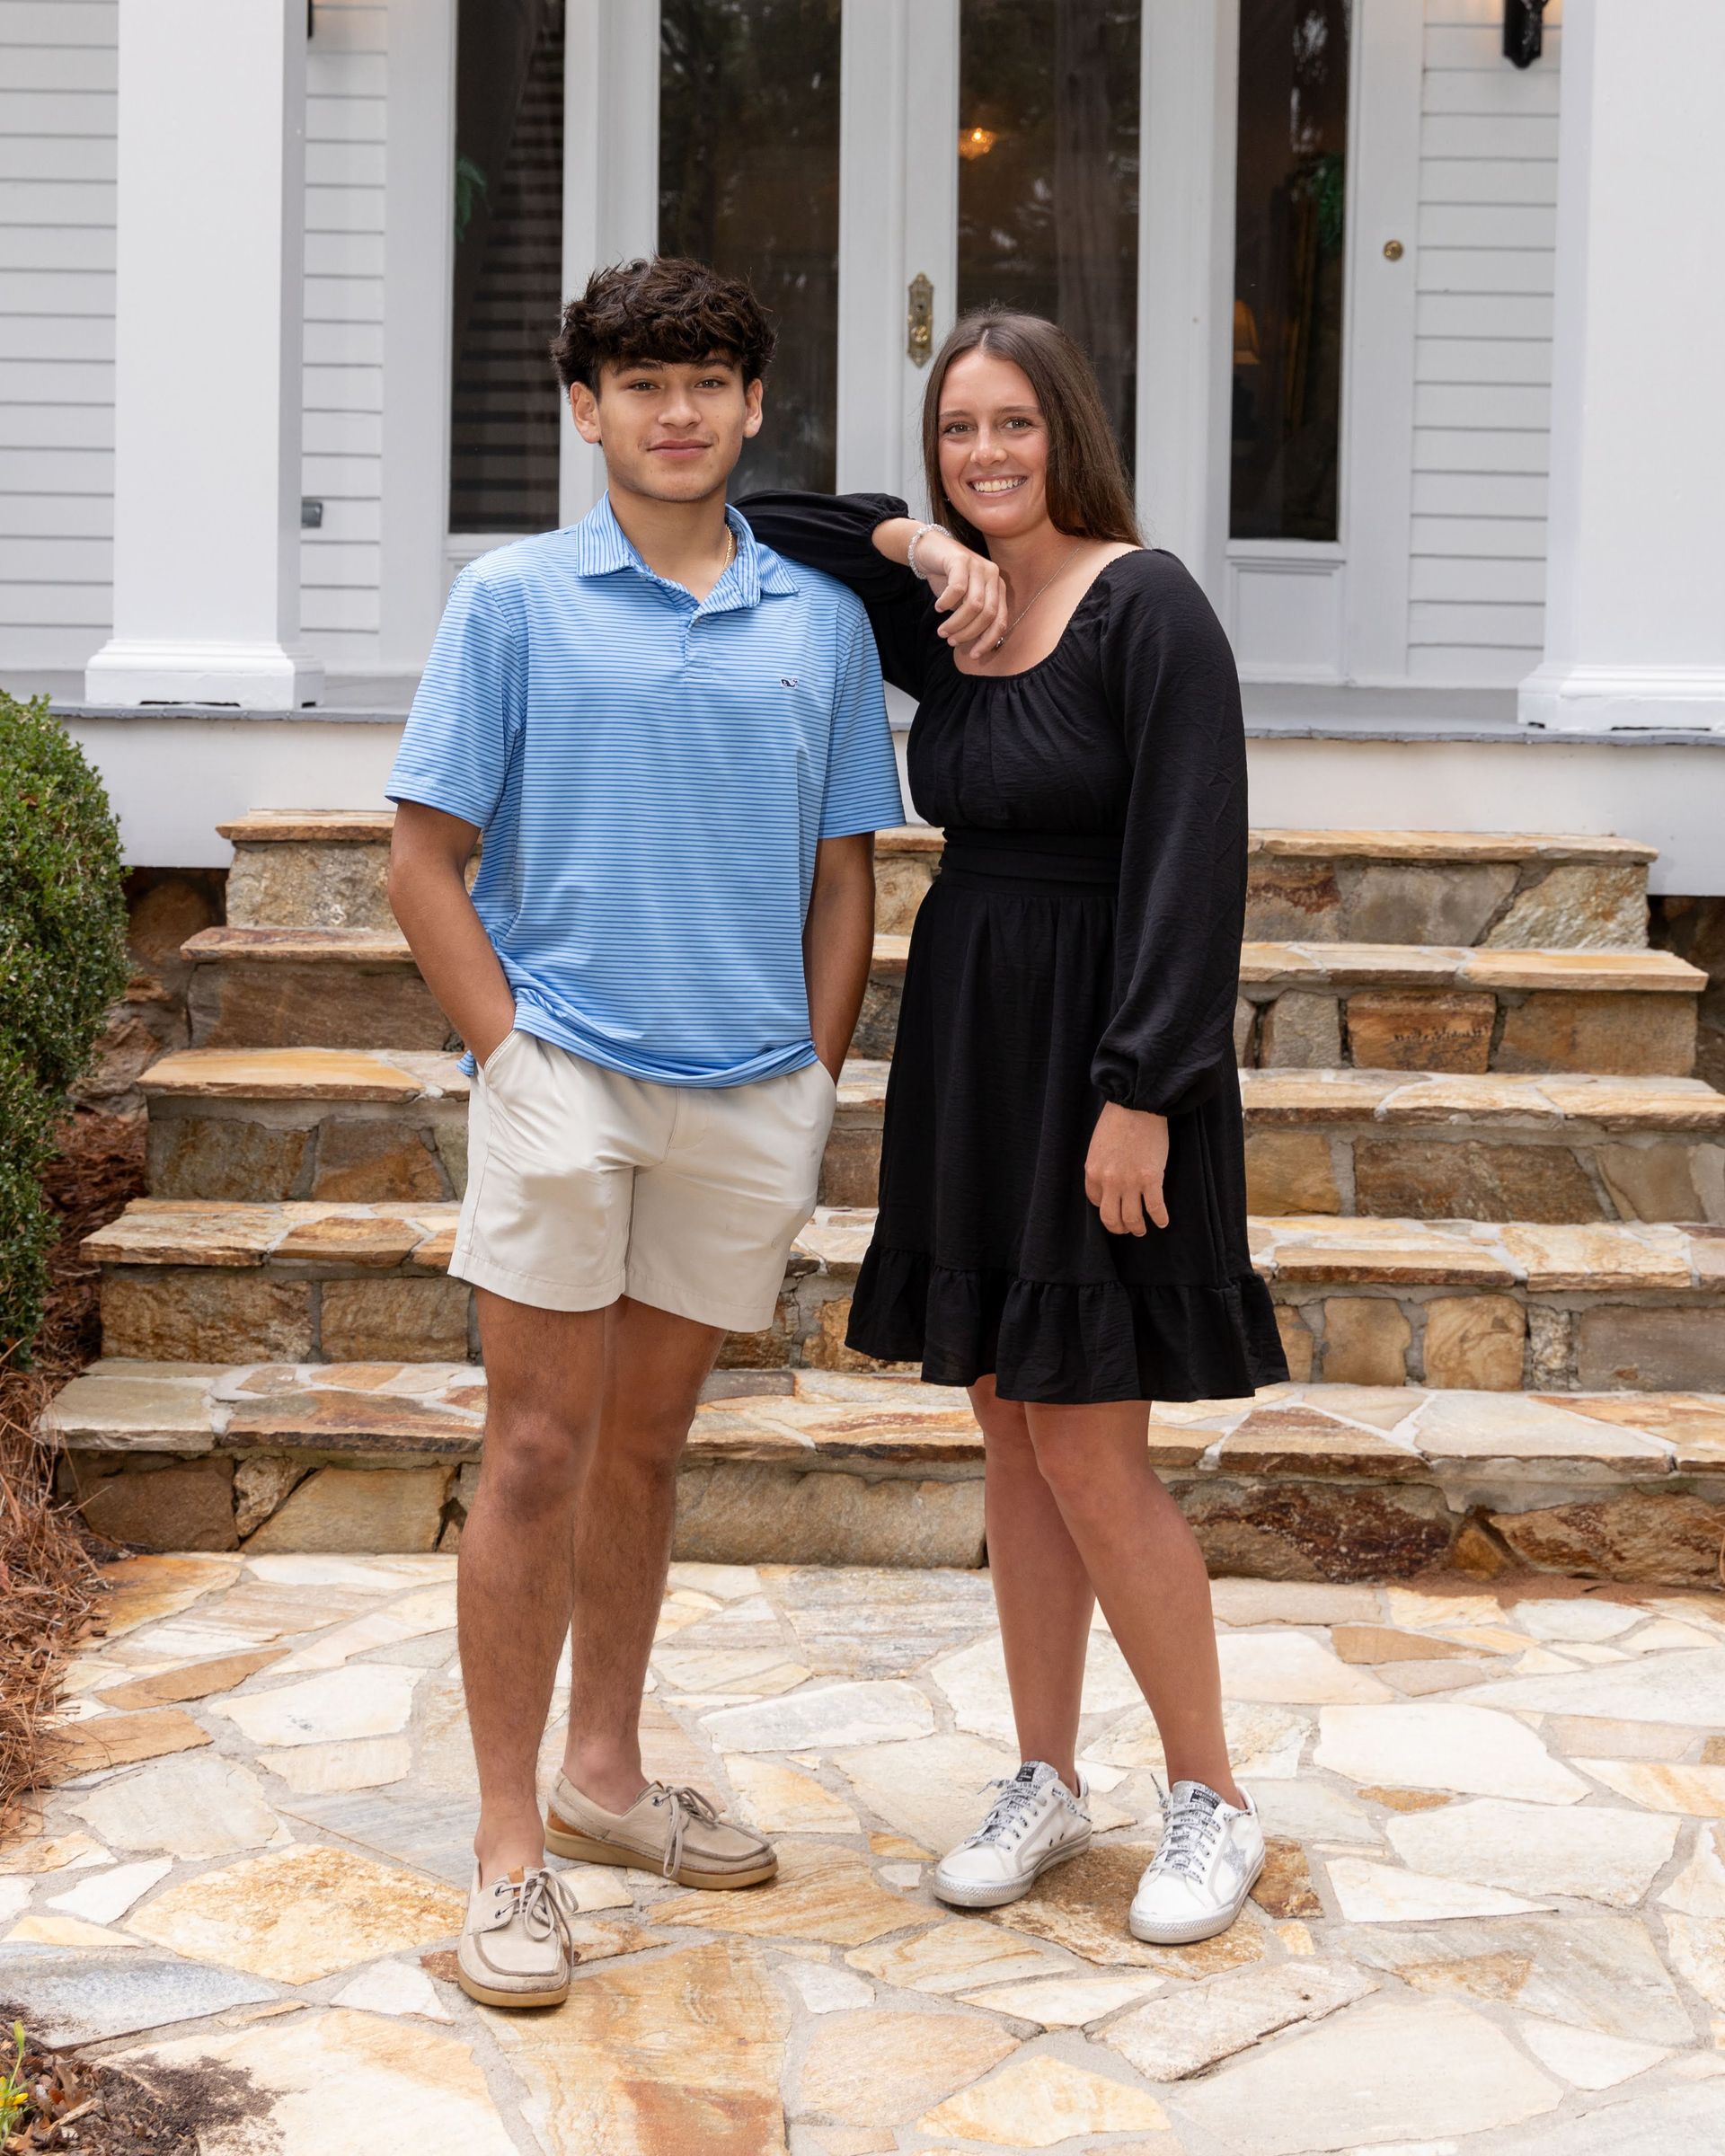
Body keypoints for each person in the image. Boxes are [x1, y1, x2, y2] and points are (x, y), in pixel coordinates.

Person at [386, 256, 904, 2009]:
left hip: (746, 1087)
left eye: (707, 381)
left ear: (756, 408)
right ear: (586, 408)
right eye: (640, 382)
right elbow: (423, 861)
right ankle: (510, 1849)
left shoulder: (817, 624)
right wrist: (508, 1054)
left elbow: (847, 878)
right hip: (568, 1081)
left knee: (649, 1449)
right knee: (534, 1448)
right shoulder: (513, 602)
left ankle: (604, 1781)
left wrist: (814, 1075)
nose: (675, 411)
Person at [740, 307, 1287, 1947]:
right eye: (957, 431)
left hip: (1107, 1056)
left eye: (1014, 428)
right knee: (1005, 1427)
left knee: (1091, 1448)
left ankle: (1213, 1798)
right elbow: (760, 521)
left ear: (1072, 434)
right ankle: (1046, 1776)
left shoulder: (1149, 602)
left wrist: (1143, 1094)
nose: (987, 457)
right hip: (975, 1041)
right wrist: (913, 543)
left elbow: (1198, 865)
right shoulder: (946, 609)